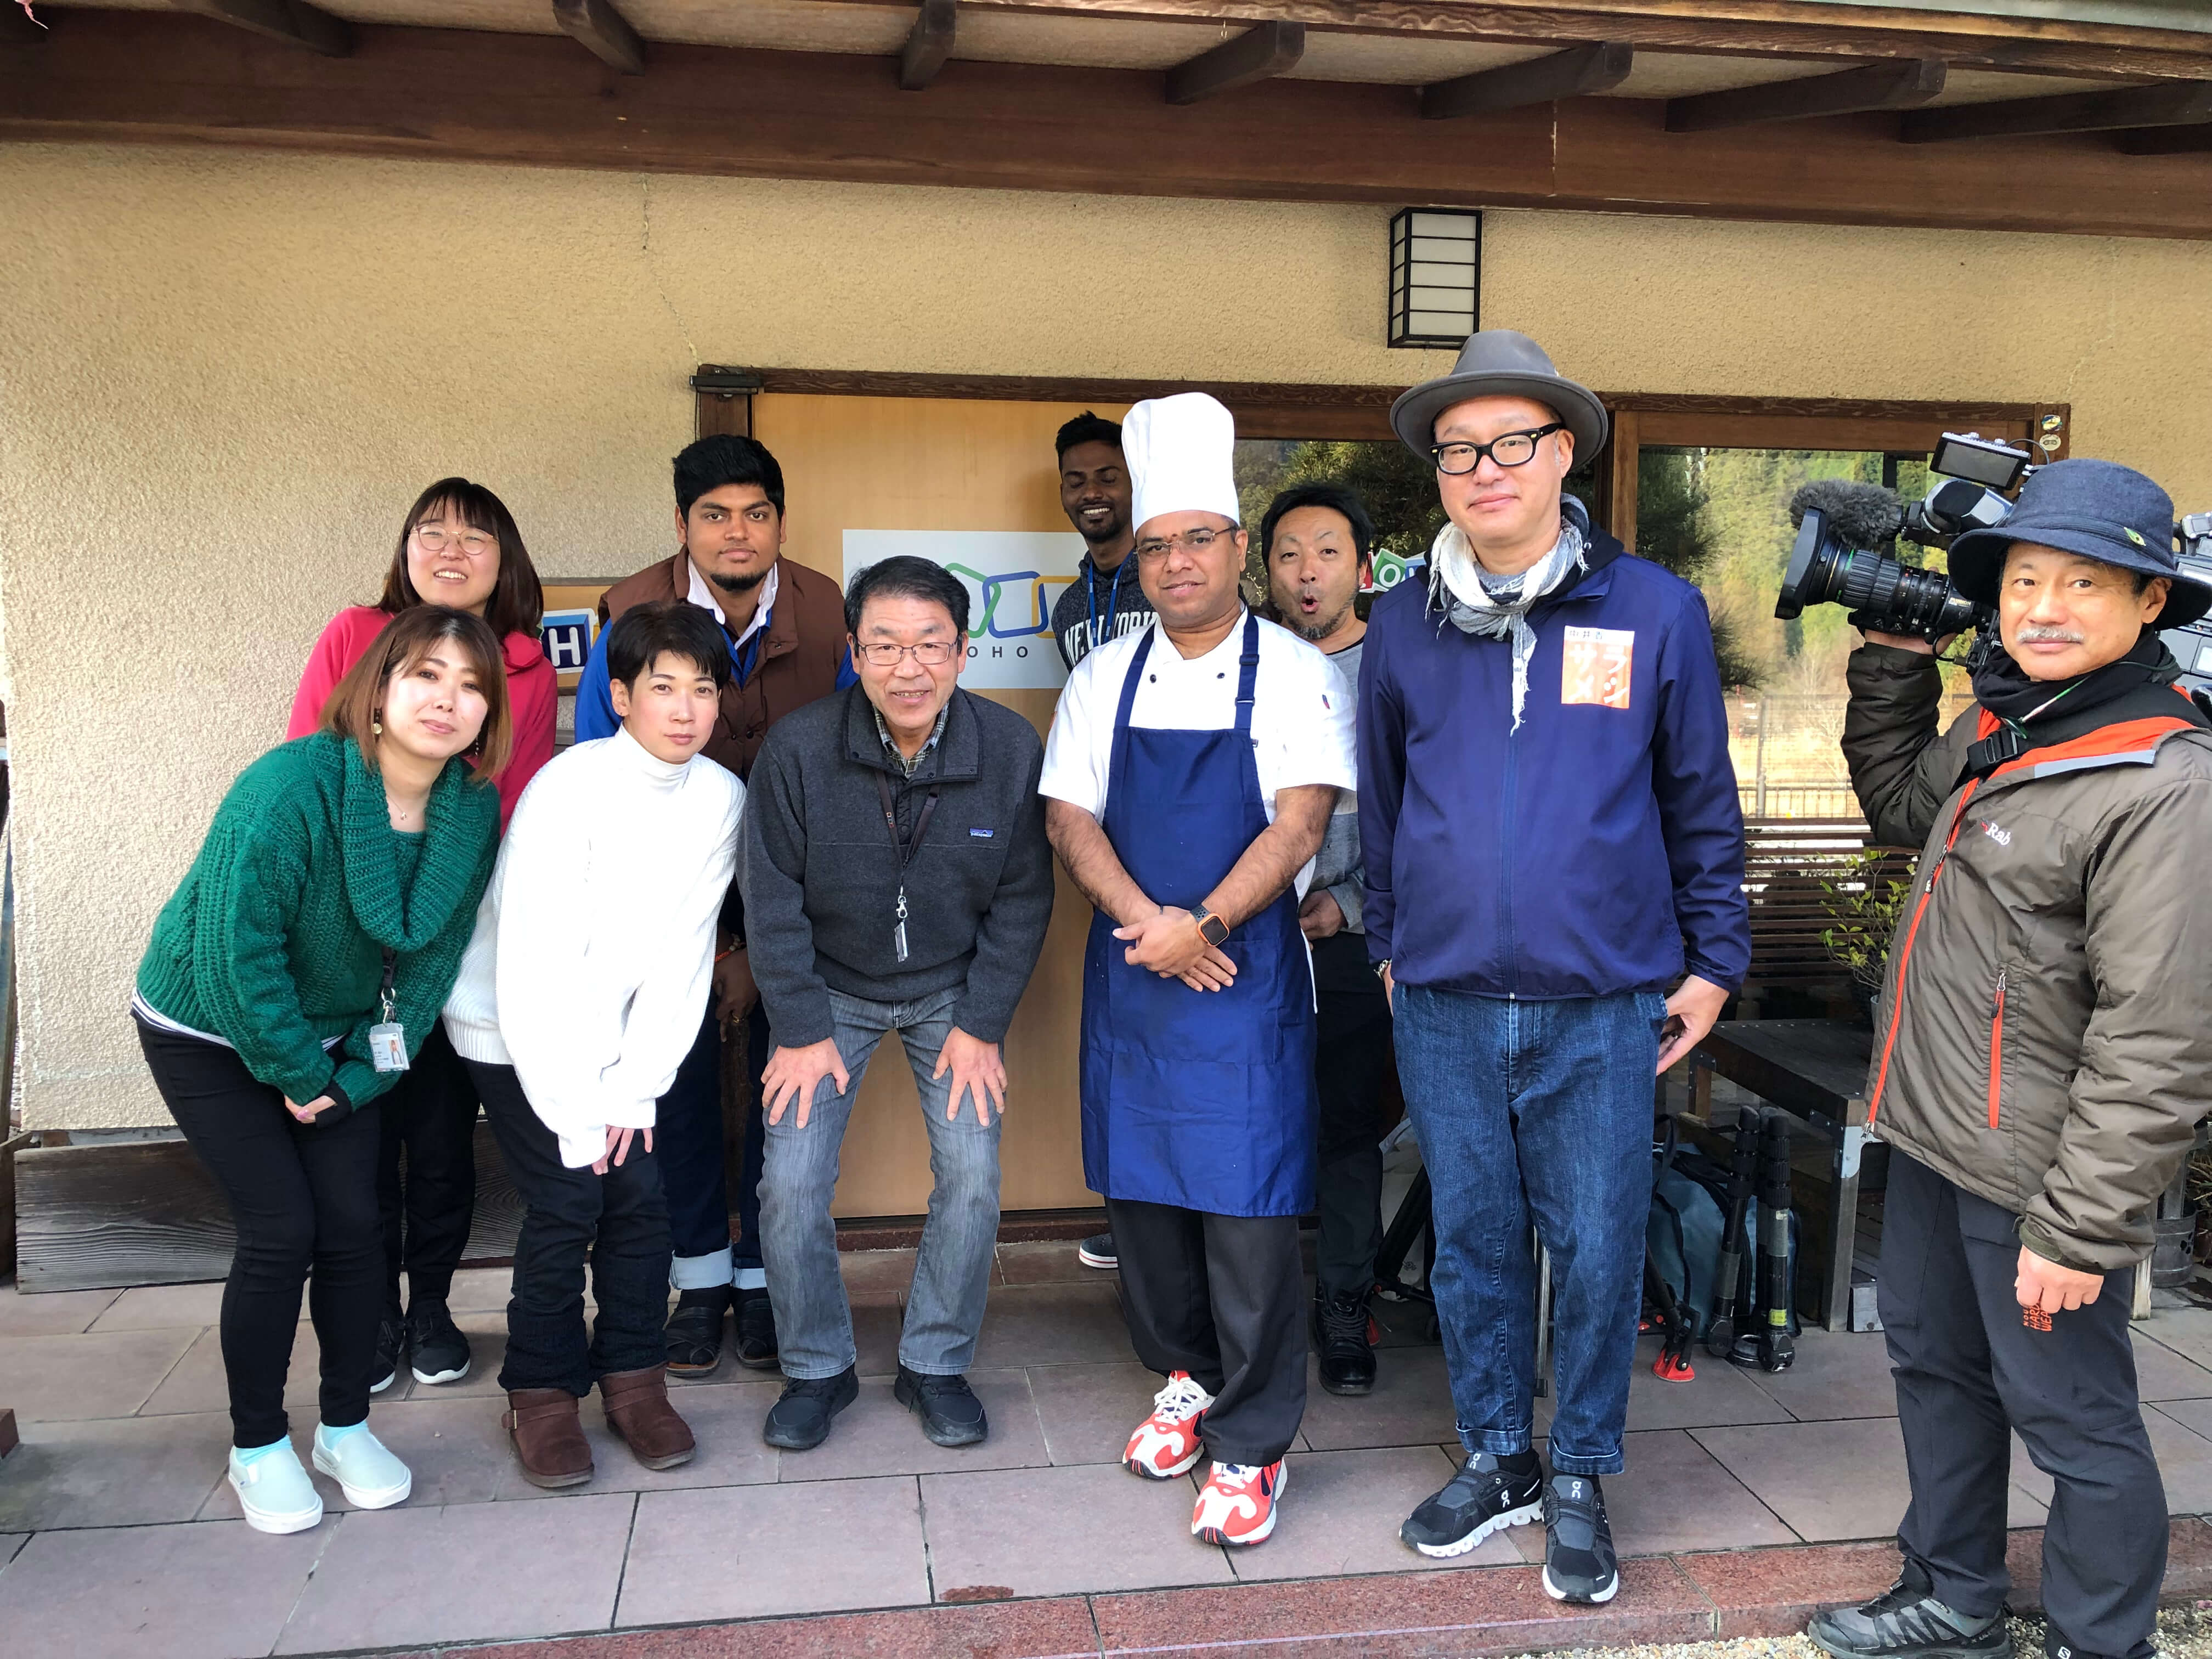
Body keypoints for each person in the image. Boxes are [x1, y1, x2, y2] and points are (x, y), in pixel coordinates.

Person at [1362, 331, 1748, 1600]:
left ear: (1562, 452)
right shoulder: (1404, 622)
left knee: (1594, 1243)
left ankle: (1579, 1470)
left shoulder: (1653, 610)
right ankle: (1496, 1456)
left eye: (1511, 444)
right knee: (1472, 1243)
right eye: (1458, 451)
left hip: (1602, 1001)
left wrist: (1715, 962)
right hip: (1447, 999)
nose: (1485, 469)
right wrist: (1390, 945)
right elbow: (1384, 802)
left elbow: (1699, 802)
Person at [1808, 459, 2212, 1659]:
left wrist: (2078, 1229)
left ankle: (2105, 1642)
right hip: (1937, 1133)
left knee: (2074, 1418)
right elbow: (1901, 807)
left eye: (2083, 583)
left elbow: (2159, 1037)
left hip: (2040, 1167)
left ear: (2150, 601)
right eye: (2025, 580)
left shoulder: (2165, 781)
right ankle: (1955, 1595)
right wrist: (1895, 659)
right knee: (1936, 1368)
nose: (2044, 607)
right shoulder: (2010, 722)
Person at [1042, 392, 1356, 1549]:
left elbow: (1300, 820)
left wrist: (1206, 924)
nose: (1176, 562)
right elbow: (1070, 817)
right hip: (1138, 971)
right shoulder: (1102, 675)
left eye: (1198, 540)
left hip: (1246, 978)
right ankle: (1187, 1377)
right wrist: (1151, 925)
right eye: (1156, 545)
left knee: (1246, 1208)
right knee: (1144, 1198)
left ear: (1236, 547)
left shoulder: (1298, 673)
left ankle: (1254, 1441)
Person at [134, 605, 508, 1535]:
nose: (448, 699)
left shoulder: (470, 806)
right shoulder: (289, 786)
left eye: (471, 686)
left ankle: (345, 1429)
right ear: (378, 689)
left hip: (338, 1036)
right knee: (282, 1228)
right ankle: (258, 1445)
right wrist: (303, 1077)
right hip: (207, 1025)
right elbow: (237, 954)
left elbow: (431, 964)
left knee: (352, 1227)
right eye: (426, 675)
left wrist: (356, 1082)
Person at [741, 556, 1054, 1451]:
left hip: (951, 992)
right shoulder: (799, 748)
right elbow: (771, 897)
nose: (907, 668)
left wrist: (981, 1024)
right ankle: (816, 1367)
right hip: (826, 991)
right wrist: (800, 1026)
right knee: (789, 1184)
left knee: (974, 1175)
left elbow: (1024, 899)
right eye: (884, 646)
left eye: (929, 645)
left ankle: (935, 1363)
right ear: (854, 652)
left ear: (962, 651)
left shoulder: (1008, 748)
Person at [444, 602, 744, 1488]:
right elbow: (537, 965)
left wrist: (634, 1086)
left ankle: (634, 1380)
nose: (685, 710)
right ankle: (538, 1392)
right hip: (510, 1030)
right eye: (663, 688)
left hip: (617, 1037)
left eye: (702, 690)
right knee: (571, 1195)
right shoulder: (568, 787)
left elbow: (684, 957)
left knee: (641, 1198)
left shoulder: (720, 798)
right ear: (620, 696)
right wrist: (582, 1113)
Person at [577, 435, 854, 1379]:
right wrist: (709, 943)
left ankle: (765, 1279)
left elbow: (850, 773)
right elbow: (601, 774)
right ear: (682, 524)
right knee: (678, 1092)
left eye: (756, 513)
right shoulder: (627, 610)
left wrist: (765, 940)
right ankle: (698, 1280)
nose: (738, 533)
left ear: (781, 521)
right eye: (715, 515)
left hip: (801, 906)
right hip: (663, 908)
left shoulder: (829, 611)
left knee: (789, 1094)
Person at [287, 478, 557, 1398]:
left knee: (441, 1141)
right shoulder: (355, 635)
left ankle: (433, 1307)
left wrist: (441, 920)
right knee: (358, 1140)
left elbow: (511, 806)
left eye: (475, 538)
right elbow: (313, 763)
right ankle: (369, 1316)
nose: (450, 551)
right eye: (431, 532)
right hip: (345, 942)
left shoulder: (525, 665)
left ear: (504, 562)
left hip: (452, 939)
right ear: (404, 550)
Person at [1261, 482, 1394, 1397]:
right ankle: (1252, 1306)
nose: (1307, 573)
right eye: (1288, 555)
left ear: (1364, 567)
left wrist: (1348, 902)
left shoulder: (1395, 666)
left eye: (1328, 552)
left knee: (1347, 1124)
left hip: (1349, 939)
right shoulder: (1243, 660)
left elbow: (1425, 811)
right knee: (1253, 1120)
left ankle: (1345, 1298)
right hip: (1246, 937)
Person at [1045, 409, 1148, 1277]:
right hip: (1100, 842)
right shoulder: (1072, 605)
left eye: (1107, 475)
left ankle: (1177, 1215)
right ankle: (1137, 1214)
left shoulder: (1172, 583)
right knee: (1120, 1036)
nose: (1092, 492)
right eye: (1076, 480)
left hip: (1178, 828)